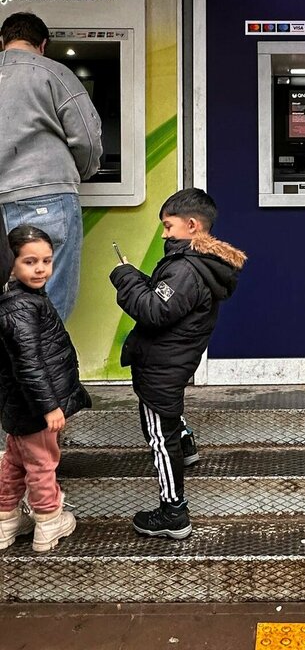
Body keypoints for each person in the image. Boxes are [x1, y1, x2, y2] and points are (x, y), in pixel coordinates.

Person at [109, 187, 247, 540]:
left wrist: (124, 278)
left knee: (158, 435)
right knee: (167, 418)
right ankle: (184, 443)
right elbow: (163, 297)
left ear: (190, 225)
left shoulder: (186, 268)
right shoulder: (196, 264)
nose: (164, 233)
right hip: (172, 360)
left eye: (168, 227)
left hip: (161, 365)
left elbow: (154, 311)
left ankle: (173, 512)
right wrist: (138, 277)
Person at [0, 12, 103, 322]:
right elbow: (87, 140)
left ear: (2, 42)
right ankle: (39, 370)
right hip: (47, 199)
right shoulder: (56, 74)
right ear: (42, 45)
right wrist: (83, 172)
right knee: (48, 309)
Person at [0, 225, 92, 553]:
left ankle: (6, 519)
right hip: (34, 405)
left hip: (18, 404)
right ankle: (49, 520)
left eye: (47, 261)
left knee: (14, 460)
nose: (40, 269)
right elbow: (29, 364)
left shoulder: (22, 297)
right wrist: (50, 406)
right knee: (42, 462)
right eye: (30, 261)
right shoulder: (20, 306)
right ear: (11, 263)